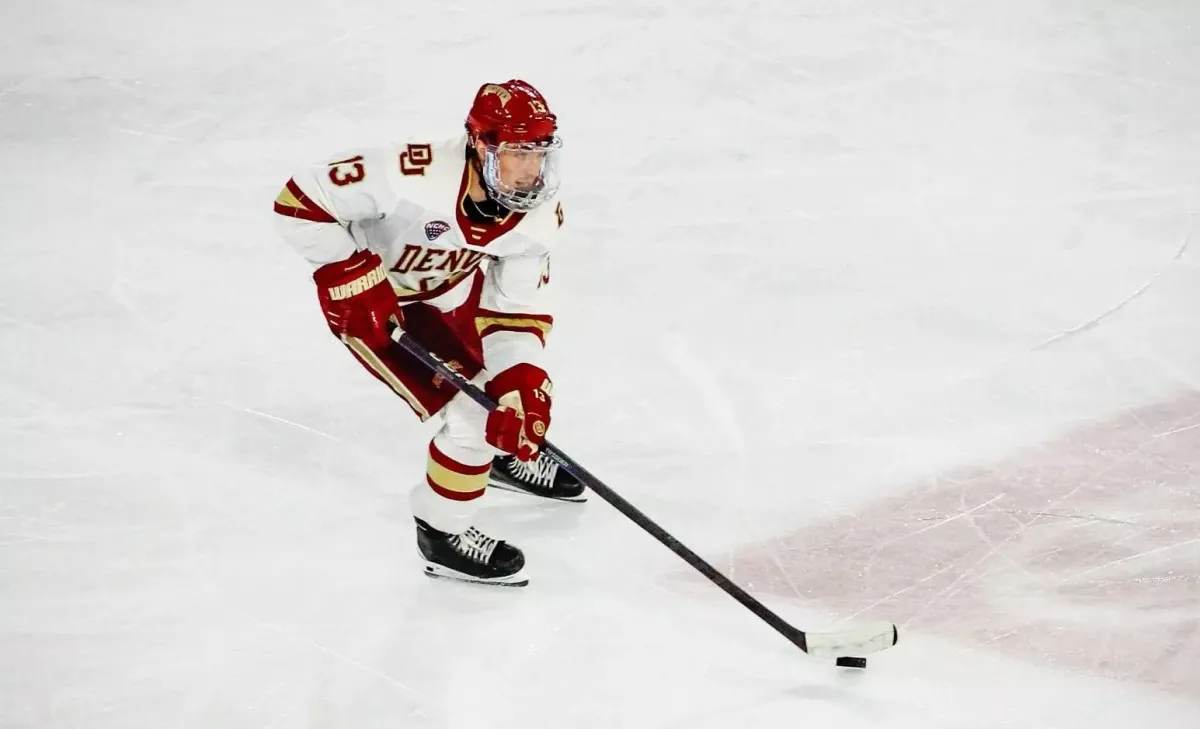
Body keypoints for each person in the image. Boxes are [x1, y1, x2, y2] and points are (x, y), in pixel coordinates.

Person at [273, 79, 583, 587]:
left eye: (540, 153)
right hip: (378, 310)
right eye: (517, 153)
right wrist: (347, 271)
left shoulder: (539, 215)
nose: (531, 171)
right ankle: (442, 535)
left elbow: (515, 310)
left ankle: (500, 458)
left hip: (447, 294)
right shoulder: (407, 174)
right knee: (472, 421)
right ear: (479, 143)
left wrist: (521, 381)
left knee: (505, 401)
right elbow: (299, 202)